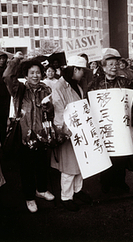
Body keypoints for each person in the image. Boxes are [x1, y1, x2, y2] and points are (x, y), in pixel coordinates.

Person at [3, 57, 55, 213]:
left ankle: (42, 189)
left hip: (42, 134)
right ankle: (29, 197)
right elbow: (7, 77)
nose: (35, 75)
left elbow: (52, 112)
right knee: (26, 167)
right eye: (31, 73)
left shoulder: (46, 89)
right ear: (25, 76)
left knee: (42, 164)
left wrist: (48, 109)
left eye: (38, 72)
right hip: (25, 135)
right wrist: (16, 60)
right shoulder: (19, 89)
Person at [89, 48, 133, 194]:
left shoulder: (125, 82)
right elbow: (89, 103)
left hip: (120, 125)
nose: (114, 67)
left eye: (116, 63)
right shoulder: (95, 84)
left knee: (121, 154)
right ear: (103, 67)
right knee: (107, 154)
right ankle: (105, 182)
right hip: (104, 125)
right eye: (110, 64)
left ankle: (120, 181)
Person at [51, 55, 93, 212]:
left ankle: (77, 190)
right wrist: (66, 131)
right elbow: (59, 112)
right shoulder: (59, 87)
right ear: (75, 69)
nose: (83, 74)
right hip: (69, 132)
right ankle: (66, 197)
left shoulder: (76, 84)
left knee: (80, 163)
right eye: (82, 70)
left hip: (80, 129)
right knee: (68, 167)